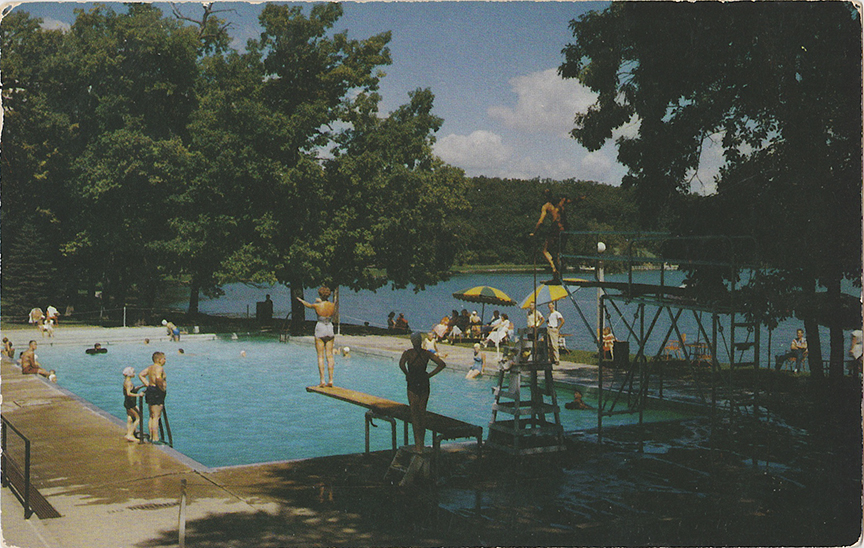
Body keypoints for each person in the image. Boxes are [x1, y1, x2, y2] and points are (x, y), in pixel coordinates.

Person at [399, 332, 446, 450]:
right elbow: (441, 364)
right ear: (420, 341)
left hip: (413, 382)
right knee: (422, 413)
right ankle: (421, 442)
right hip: (424, 382)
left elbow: (401, 364)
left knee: (415, 414)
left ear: (412, 341)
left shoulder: (408, 353)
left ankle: (418, 444)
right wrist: (429, 375)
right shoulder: (426, 354)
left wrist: (407, 374)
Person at [529, 189, 586, 281]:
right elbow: (572, 201)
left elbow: (540, 221)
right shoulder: (561, 203)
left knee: (545, 251)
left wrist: (534, 232)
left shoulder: (546, 206)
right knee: (559, 252)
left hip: (555, 229)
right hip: (565, 229)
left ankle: (554, 269)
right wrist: (580, 198)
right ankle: (559, 274)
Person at [298, 286, 337, 387]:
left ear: (320, 295)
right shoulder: (333, 305)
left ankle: (322, 381)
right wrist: (321, 300)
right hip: (329, 328)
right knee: (330, 356)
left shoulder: (317, 306)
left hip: (320, 328)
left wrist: (300, 300)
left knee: (320, 356)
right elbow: (326, 304)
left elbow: (308, 305)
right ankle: (331, 380)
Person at [139, 352, 167, 444]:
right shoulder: (159, 368)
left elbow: (141, 374)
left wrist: (147, 384)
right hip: (157, 391)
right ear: (159, 359)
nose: (165, 360)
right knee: (156, 416)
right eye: (164, 358)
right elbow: (158, 379)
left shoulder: (150, 367)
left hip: (150, 390)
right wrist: (162, 389)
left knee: (151, 415)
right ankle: (156, 438)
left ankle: (151, 436)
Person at [122, 367, 145, 442]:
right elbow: (129, 393)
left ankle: (128, 432)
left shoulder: (126, 381)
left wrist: (142, 386)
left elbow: (132, 390)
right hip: (131, 403)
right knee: (139, 418)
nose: (134, 374)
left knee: (130, 418)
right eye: (133, 372)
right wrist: (139, 395)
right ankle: (130, 434)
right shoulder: (129, 383)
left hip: (127, 402)